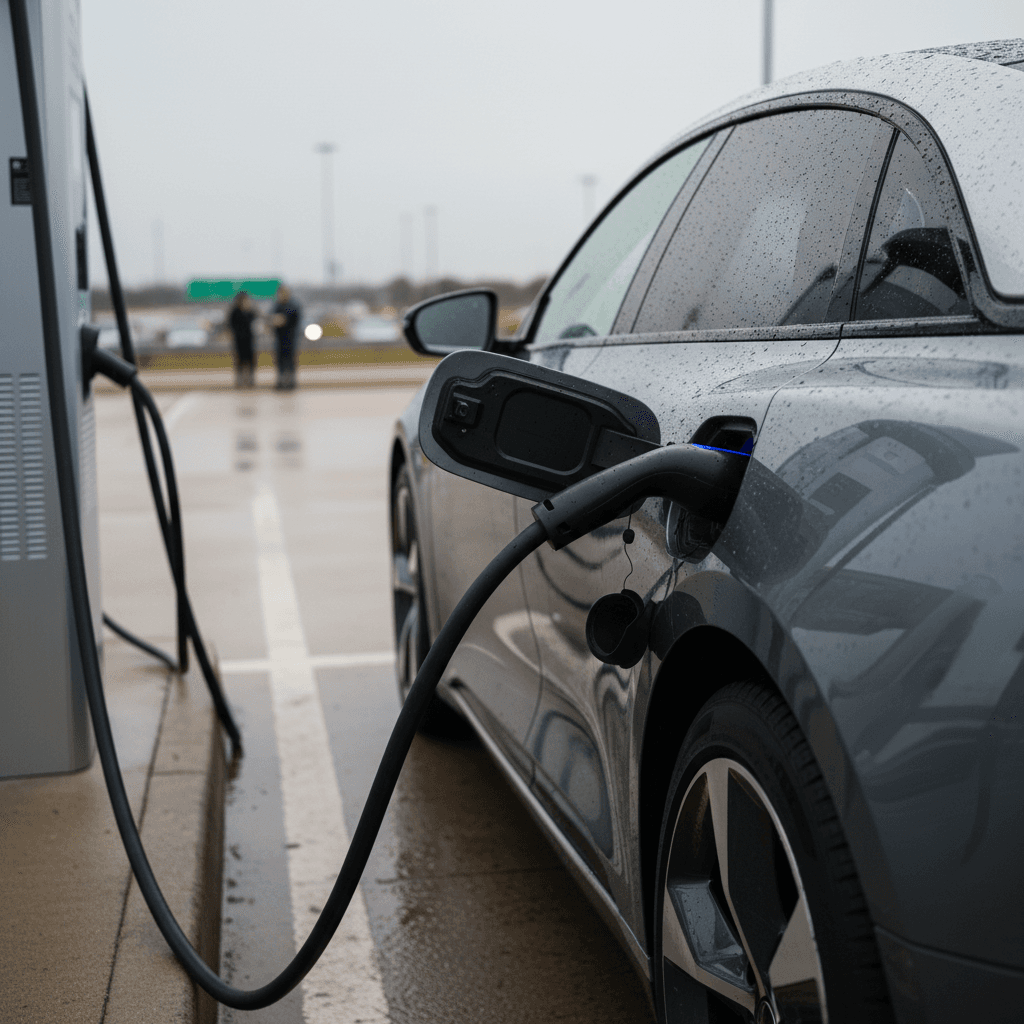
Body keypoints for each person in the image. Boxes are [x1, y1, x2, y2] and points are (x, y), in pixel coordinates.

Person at [270, 284, 301, 390]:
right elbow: (271, 319)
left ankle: (291, 381)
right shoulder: (277, 306)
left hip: (290, 337)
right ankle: (281, 381)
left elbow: (294, 319)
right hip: (279, 338)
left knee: (290, 360)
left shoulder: (293, 305)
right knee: (280, 361)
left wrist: (283, 320)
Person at [228, 290, 257, 387]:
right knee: (240, 361)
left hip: (250, 341)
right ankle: (240, 381)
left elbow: (257, 324)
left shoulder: (252, 312)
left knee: (250, 361)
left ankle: (250, 380)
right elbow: (230, 326)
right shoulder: (235, 312)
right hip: (239, 340)